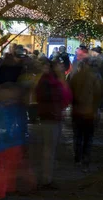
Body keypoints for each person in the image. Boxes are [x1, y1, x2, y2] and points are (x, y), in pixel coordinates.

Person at [33, 55, 72, 190]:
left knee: (50, 149)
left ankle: (47, 177)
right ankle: (46, 179)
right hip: (50, 116)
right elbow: (48, 97)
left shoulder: (53, 80)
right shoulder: (48, 81)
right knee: (48, 149)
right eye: (58, 65)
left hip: (53, 115)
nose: (61, 67)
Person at [68, 58, 102, 172]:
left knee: (77, 136)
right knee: (88, 137)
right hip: (89, 112)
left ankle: (77, 158)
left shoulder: (74, 77)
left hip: (77, 111)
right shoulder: (94, 77)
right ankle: (85, 157)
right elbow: (98, 94)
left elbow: (70, 93)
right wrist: (96, 109)